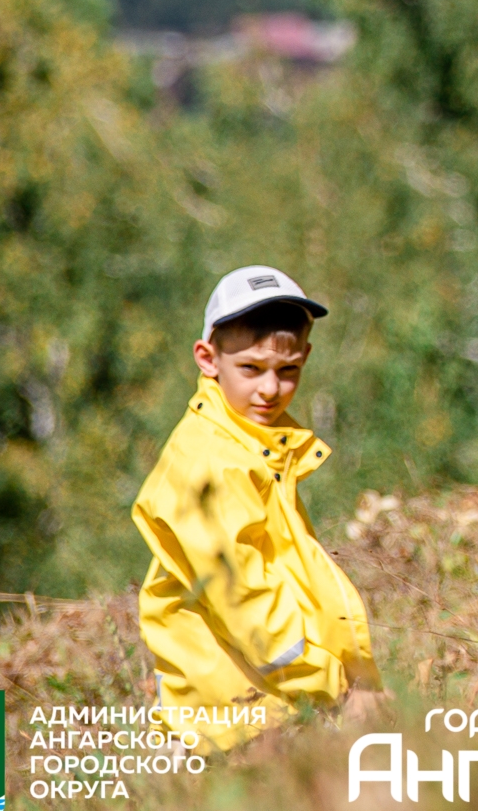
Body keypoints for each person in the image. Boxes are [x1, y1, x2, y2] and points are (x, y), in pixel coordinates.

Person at [133, 266, 382, 755]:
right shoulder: (209, 462)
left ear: (306, 358)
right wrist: (337, 688)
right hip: (231, 732)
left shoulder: (254, 448)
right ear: (208, 359)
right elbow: (245, 601)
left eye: (288, 371)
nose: (270, 389)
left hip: (273, 709)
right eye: (251, 368)